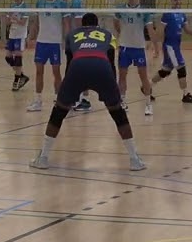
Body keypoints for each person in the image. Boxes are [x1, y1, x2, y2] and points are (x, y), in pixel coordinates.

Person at [29, 13, 146, 171]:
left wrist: (70, 90)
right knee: (118, 113)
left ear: (82, 26)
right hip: (102, 67)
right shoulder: (107, 34)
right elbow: (111, 60)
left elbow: (70, 61)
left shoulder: (72, 34)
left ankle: (43, 158)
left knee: (58, 112)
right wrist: (110, 90)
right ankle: (134, 160)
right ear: (97, 25)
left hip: (77, 67)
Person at [113, 0, 156, 116]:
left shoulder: (144, 11)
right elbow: (115, 22)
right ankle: (123, 102)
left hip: (138, 48)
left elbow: (150, 29)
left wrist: (156, 46)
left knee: (143, 76)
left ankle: (148, 104)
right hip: (125, 47)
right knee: (122, 75)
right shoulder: (120, 9)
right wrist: (121, 32)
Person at [27, 0, 67, 112]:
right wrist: (30, 36)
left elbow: (66, 23)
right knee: (39, 71)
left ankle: (58, 100)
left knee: (56, 72)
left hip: (55, 43)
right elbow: (36, 22)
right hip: (41, 43)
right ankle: (38, 100)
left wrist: (66, 40)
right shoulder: (40, 2)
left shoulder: (61, 4)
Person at [153, 0, 192, 104]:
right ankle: (185, 94)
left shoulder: (182, 14)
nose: (177, 1)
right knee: (181, 68)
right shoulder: (167, 14)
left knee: (166, 71)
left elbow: (187, 30)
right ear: (171, 0)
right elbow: (160, 30)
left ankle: (147, 87)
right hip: (170, 47)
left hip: (176, 47)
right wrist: (157, 46)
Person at [62, 0, 91, 111]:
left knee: (79, 70)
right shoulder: (74, 1)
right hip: (76, 41)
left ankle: (84, 100)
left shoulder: (77, 2)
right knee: (74, 70)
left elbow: (79, 23)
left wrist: (78, 42)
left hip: (78, 42)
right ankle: (77, 98)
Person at [4, 0, 30, 91]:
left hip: (20, 35)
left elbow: (23, 22)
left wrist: (14, 18)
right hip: (12, 35)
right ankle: (22, 75)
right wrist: (5, 18)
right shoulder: (12, 6)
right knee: (8, 57)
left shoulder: (25, 7)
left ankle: (17, 81)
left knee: (18, 57)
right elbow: (7, 22)